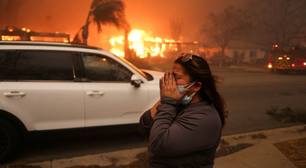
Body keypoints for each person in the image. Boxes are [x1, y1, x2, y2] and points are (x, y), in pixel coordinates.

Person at [139, 53, 227, 168]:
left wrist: (168, 101)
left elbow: (158, 144)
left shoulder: (205, 117)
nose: (170, 82)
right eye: (170, 76)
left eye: (176, 77)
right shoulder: (175, 104)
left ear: (196, 86)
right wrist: (165, 98)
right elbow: (144, 127)